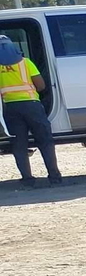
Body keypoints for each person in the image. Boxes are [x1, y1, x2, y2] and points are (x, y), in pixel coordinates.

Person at [0, 34, 63, 186]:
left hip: (10, 109)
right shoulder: (26, 63)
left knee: (19, 145)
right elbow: (41, 85)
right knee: (45, 141)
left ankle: (27, 180)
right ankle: (54, 177)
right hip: (32, 105)